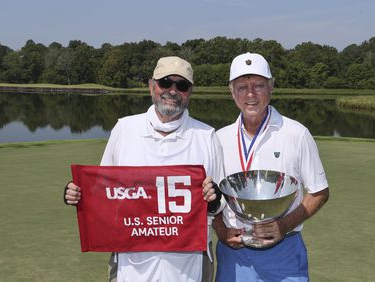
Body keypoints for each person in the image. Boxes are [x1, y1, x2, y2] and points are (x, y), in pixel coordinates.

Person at [64, 56, 225, 282]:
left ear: (190, 91)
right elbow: (101, 190)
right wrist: (78, 193)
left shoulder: (207, 136)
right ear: (151, 86)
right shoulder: (125, 128)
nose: (172, 90)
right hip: (131, 261)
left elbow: (222, 202)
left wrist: (215, 200)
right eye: (165, 82)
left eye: (182, 85)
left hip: (190, 263)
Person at [212, 52, 330, 282]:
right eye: (242, 86)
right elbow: (210, 199)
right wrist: (220, 230)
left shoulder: (296, 133)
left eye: (258, 85)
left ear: (271, 87)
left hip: (284, 253)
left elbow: (319, 192)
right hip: (233, 256)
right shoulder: (218, 138)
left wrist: (284, 225)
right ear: (231, 91)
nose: (250, 94)